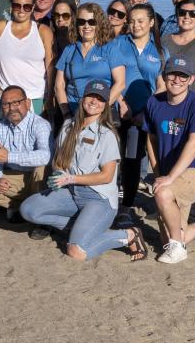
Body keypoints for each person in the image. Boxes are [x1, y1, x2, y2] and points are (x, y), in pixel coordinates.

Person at [20, 79, 146, 262]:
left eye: (100, 99)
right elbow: (59, 162)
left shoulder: (107, 134)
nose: (94, 101)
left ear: (105, 105)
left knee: (77, 252)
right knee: (29, 210)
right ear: (82, 98)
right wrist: (59, 174)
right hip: (72, 193)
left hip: (99, 199)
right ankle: (82, 228)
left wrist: (70, 179)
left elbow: (106, 176)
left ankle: (128, 236)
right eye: (90, 96)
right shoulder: (68, 126)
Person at [143, 56, 195, 263]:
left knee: (162, 193)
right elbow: (150, 140)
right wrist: (158, 172)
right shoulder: (154, 102)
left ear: (191, 79)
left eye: (183, 75)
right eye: (173, 74)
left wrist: (169, 177)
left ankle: (178, 248)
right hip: (170, 175)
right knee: (169, 239)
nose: (177, 79)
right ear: (164, 76)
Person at [112, 3, 166, 228]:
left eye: (141, 20)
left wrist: (145, 112)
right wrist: (121, 102)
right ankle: (117, 205)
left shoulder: (160, 50)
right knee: (119, 159)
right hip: (119, 113)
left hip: (146, 116)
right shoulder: (118, 44)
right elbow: (111, 78)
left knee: (141, 160)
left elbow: (161, 86)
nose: (135, 25)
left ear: (151, 22)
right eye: (132, 20)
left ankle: (132, 206)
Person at [0, 85, 52, 233]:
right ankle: (19, 207)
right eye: (6, 104)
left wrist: (9, 156)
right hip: (15, 178)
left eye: (16, 102)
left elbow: (45, 156)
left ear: (27, 103)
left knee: (41, 168)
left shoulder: (40, 124)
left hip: (36, 178)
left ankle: (42, 219)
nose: (12, 108)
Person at [54, 3, 125, 119]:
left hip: (102, 112)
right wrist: (66, 114)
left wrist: (100, 111)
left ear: (100, 24)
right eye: (81, 22)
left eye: (92, 22)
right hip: (74, 112)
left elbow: (120, 83)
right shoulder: (69, 50)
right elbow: (59, 85)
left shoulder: (110, 48)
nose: (86, 26)